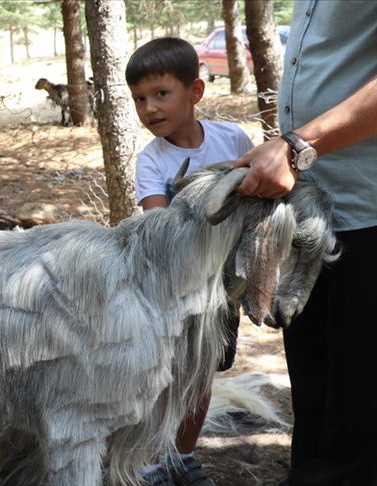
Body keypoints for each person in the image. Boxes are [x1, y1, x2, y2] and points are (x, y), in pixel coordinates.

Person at [231, 2, 377, 484]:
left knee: (360, 410)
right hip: (315, 210)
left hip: (370, 213)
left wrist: (296, 145)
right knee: (318, 400)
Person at [126, 37, 254, 486]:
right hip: (173, 288)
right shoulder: (151, 160)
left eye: (162, 94)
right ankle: (148, 460)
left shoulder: (233, 139)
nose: (149, 108)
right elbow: (158, 224)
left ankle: (182, 455)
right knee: (162, 375)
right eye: (140, 99)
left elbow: (251, 206)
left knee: (202, 375)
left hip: (222, 287)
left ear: (195, 92)